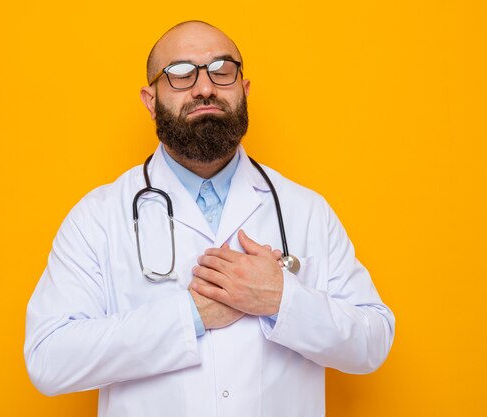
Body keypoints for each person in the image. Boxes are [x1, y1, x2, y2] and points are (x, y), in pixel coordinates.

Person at [24, 20, 395, 417]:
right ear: (150, 100)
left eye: (222, 70)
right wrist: (191, 315)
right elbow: (49, 358)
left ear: (244, 90)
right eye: (180, 75)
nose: (205, 88)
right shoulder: (97, 217)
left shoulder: (305, 210)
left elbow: (372, 342)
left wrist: (282, 299)